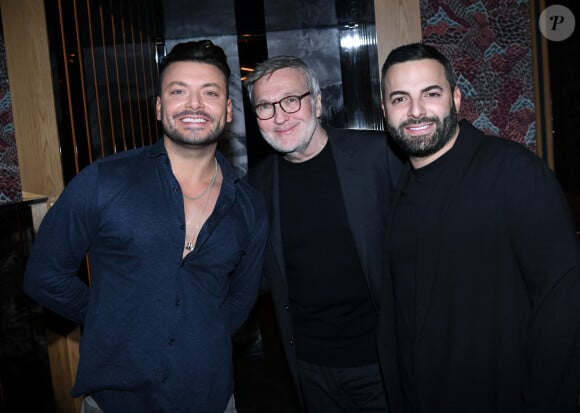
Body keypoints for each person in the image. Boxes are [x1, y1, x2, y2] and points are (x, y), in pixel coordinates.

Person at [23, 40, 268, 413]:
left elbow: (238, 304)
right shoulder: (102, 182)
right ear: (158, 107)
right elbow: (44, 275)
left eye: (210, 93)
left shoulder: (249, 206)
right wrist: (113, 316)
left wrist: (194, 329)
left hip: (211, 400)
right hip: (114, 402)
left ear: (229, 110)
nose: (195, 105)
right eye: (178, 91)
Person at [377, 42, 580, 413]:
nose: (416, 111)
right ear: (385, 110)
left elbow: (563, 304)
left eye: (431, 94)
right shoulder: (401, 188)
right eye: (400, 98)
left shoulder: (513, 172)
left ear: (455, 99)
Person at [243, 55, 403, 412]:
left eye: (290, 100)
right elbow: (258, 274)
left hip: (382, 361)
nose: (279, 116)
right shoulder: (255, 185)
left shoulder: (379, 157)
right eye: (265, 107)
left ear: (316, 102)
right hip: (308, 367)